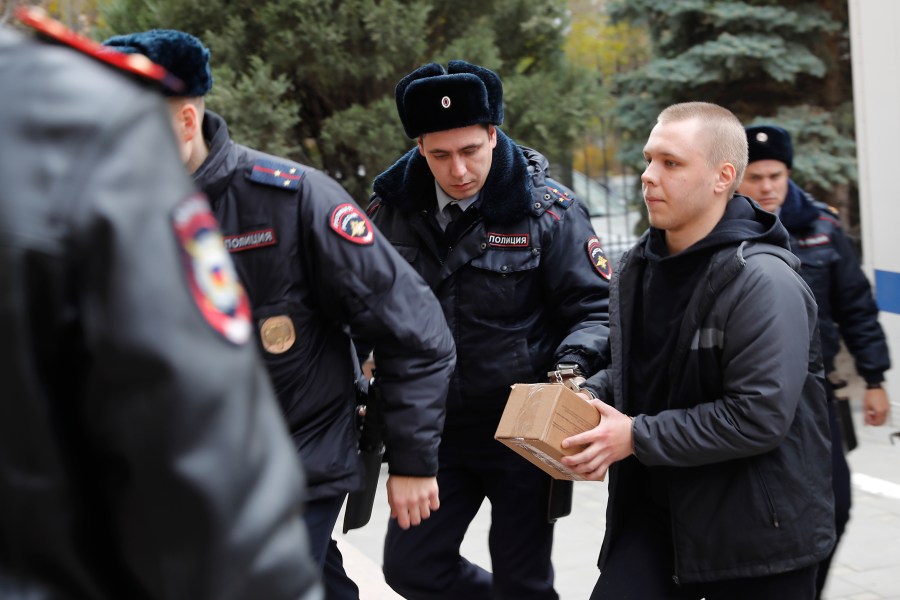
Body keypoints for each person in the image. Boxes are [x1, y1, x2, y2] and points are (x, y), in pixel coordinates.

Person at [101, 29, 457, 600]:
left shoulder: (293, 201)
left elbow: (415, 331)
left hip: (295, 463)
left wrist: (414, 459)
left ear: (186, 122)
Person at [0, 9, 322, 599]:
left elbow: (408, 321)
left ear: (187, 116)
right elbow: (202, 461)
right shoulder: (67, 123)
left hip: (311, 454)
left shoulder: (292, 194)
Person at [561, 102, 836, 600]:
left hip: (755, 542)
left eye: (671, 163)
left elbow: (757, 415)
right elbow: (643, 374)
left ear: (722, 176)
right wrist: (590, 400)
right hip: (655, 521)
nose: (648, 176)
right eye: (648, 160)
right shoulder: (635, 269)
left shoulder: (764, 281)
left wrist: (634, 436)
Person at [367, 60, 611, 599]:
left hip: (521, 428)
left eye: (471, 151)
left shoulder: (550, 212)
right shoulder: (389, 212)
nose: (458, 170)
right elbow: (361, 308)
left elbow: (596, 310)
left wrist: (571, 367)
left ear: (493, 136)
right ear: (420, 148)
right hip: (433, 430)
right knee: (411, 567)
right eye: (440, 155)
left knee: (524, 579)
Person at [738, 124, 892, 597]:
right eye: (756, 176)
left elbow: (857, 307)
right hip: (748, 399)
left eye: (775, 176)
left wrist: (874, 378)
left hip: (816, 398)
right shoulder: (722, 230)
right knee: (760, 514)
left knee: (836, 505)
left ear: (788, 174)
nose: (766, 187)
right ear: (736, 177)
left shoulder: (822, 229)